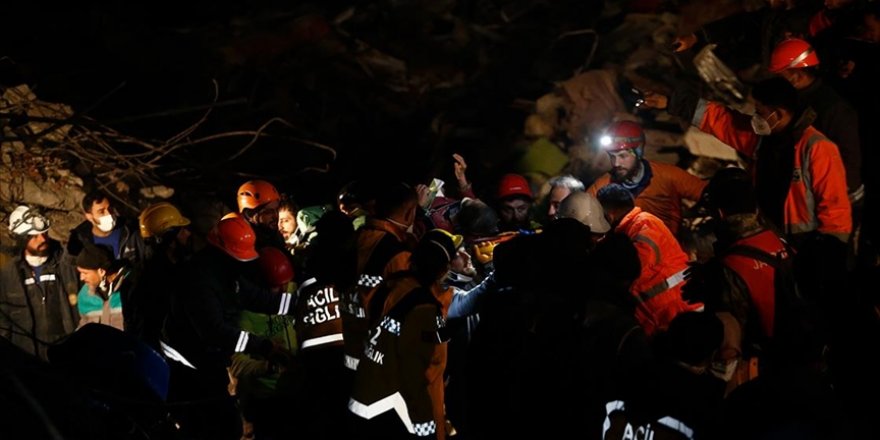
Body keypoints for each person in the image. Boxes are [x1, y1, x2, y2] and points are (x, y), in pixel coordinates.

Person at [348, 229, 458, 440]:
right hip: (395, 409)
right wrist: (428, 428)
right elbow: (420, 373)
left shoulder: (389, 286)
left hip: (363, 396)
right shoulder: (425, 310)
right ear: (443, 269)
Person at [597, 184, 701, 336]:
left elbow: (633, 268)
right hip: (666, 316)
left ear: (609, 215)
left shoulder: (644, 223)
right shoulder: (630, 229)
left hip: (681, 311)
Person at [769, 38, 862, 202]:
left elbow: (850, 157)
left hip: (839, 196)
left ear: (796, 75)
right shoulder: (797, 100)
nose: (777, 82)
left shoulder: (832, 107)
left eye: (780, 76)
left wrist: (834, 196)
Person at [587, 120, 706, 236]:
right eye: (612, 156)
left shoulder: (667, 176)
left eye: (622, 156)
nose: (616, 163)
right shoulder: (603, 186)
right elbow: (580, 216)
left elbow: (709, 193)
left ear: (638, 152)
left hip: (669, 250)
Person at [0, 205, 79, 361]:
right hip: (25, 357)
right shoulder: (8, 274)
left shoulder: (65, 265)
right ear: (22, 239)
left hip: (64, 354)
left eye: (44, 234)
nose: (42, 239)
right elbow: (3, 320)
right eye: (35, 236)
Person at [129, 201, 193, 348]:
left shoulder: (145, 273)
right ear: (169, 239)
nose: (187, 233)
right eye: (181, 230)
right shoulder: (156, 279)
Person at [67, 190, 145, 269]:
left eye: (109, 208)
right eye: (101, 212)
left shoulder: (131, 230)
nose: (109, 214)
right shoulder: (79, 242)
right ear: (89, 217)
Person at [75, 243, 130, 331]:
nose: (81, 278)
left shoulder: (132, 288)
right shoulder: (85, 294)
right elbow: (84, 328)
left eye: (85, 273)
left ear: (101, 271)